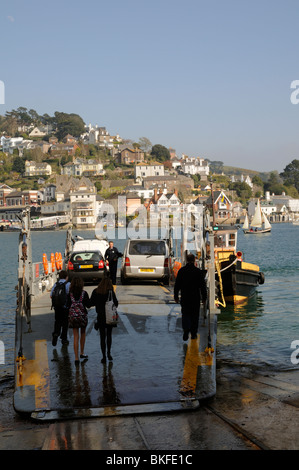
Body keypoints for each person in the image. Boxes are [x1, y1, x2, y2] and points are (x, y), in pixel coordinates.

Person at [174, 253, 207, 341]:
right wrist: (204, 297)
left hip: (185, 297)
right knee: (195, 315)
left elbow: (177, 285)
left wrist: (176, 296)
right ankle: (193, 334)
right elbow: (203, 286)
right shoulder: (198, 271)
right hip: (195, 297)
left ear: (187, 260)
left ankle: (186, 330)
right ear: (194, 260)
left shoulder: (181, 271)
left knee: (185, 314)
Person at [89, 274, 119, 364]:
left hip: (100, 317)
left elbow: (91, 303)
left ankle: (103, 356)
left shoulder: (96, 291)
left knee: (102, 337)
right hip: (109, 316)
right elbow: (116, 303)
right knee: (109, 335)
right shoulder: (110, 292)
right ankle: (109, 353)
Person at [67, 276, 90, 365]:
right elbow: (88, 305)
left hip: (73, 317)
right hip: (82, 317)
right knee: (83, 333)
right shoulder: (84, 293)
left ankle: (76, 358)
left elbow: (67, 305)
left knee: (75, 336)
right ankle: (82, 352)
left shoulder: (70, 294)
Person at [50, 270, 70, 346]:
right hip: (65, 307)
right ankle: (64, 339)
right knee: (65, 323)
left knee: (57, 321)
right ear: (66, 277)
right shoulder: (68, 284)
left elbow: (51, 295)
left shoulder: (56, 284)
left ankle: (56, 334)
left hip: (57, 307)